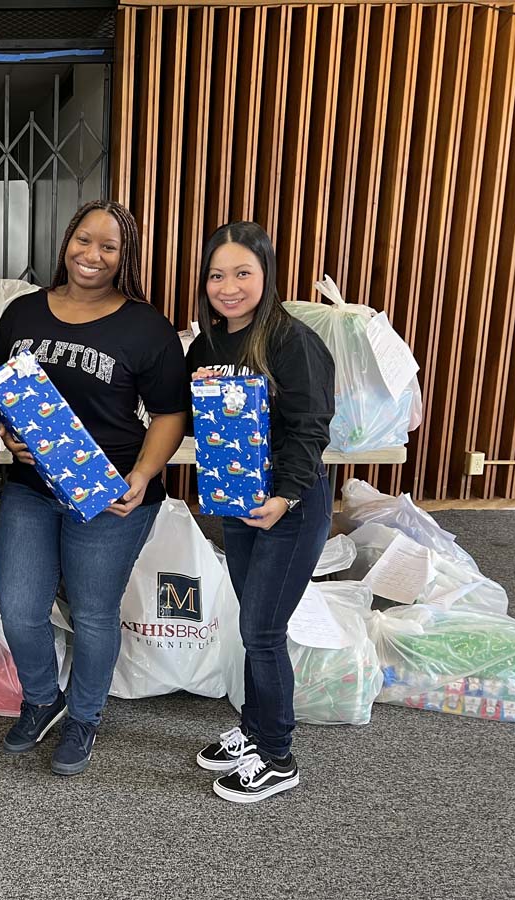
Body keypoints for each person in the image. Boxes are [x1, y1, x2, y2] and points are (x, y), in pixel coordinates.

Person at [0, 200, 189, 776]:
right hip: (31, 485)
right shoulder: (23, 314)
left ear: (124, 257)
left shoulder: (145, 326)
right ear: (66, 242)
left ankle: (84, 717)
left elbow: (171, 414)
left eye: (109, 246)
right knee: (20, 606)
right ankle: (42, 700)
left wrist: (144, 475)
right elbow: (1, 391)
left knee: (93, 612)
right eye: (84, 240)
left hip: (110, 491)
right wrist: (7, 432)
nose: (92, 255)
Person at [186, 221, 334, 803]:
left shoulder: (293, 342)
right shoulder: (208, 342)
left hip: (289, 506)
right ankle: (253, 729)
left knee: (263, 630)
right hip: (238, 500)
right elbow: (190, 413)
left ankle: (277, 753)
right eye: (217, 275)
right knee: (254, 621)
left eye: (242, 273)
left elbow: (309, 428)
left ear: (267, 275)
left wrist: (286, 497)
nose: (229, 286)